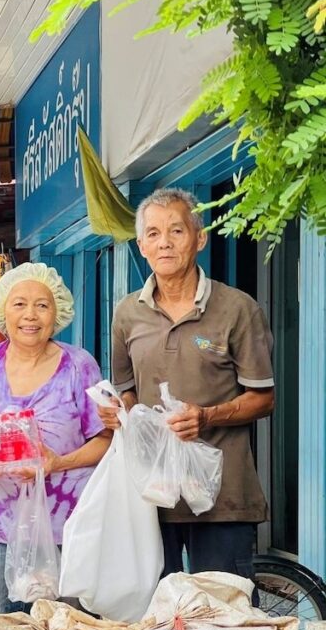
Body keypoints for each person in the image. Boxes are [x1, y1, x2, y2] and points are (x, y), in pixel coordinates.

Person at [99, 187, 274, 579]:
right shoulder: (127, 313)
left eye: (176, 231)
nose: (165, 242)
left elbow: (263, 399)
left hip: (223, 499)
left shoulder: (238, 309)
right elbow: (127, 392)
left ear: (200, 238)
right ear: (142, 246)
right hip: (150, 497)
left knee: (221, 608)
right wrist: (116, 411)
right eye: (153, 233)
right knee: (154, 609)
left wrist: (206, 416)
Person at [0, 262, 111, 614]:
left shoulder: (79, 366)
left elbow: (105, 440)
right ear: (3, 312)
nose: (30, 315)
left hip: (69, 526)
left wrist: (58, 463)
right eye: (19, 304)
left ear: (57, 313)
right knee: (3, 629)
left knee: (70, 629)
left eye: (42, 305)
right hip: (0, 526)